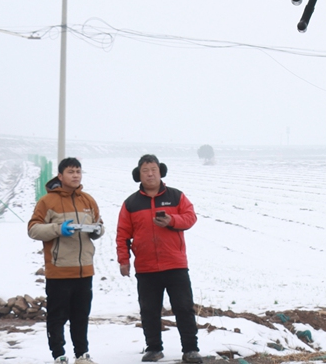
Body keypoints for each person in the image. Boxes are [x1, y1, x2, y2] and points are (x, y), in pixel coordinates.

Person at [117, 154, 202, 363]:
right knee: (149, 311)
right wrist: (123, 260)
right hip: (146, 267)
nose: (150, 174)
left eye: (153, 169)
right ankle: (154, 348)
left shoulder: (176, 196)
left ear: (160, 172)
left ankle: (190, 349)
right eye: (145, 170)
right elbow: (122, 234)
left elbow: (190, 217)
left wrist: (172, 220)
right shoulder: (131, 203)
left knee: (184, 307)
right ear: (138, 175)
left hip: (175, 264)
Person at [28, 157, 103, 364]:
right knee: (57, 316)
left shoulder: (88, 200)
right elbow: (33, 229)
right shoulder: (47, 202)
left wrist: (97, 230)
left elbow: (99, 224)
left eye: (78, 171)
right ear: (60, 176)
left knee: (81, 316)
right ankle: (59, 355)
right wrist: (58, 229)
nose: (75, 175)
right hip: (59, 270)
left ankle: (82, 354)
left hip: (84, 270)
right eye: (71, 172)